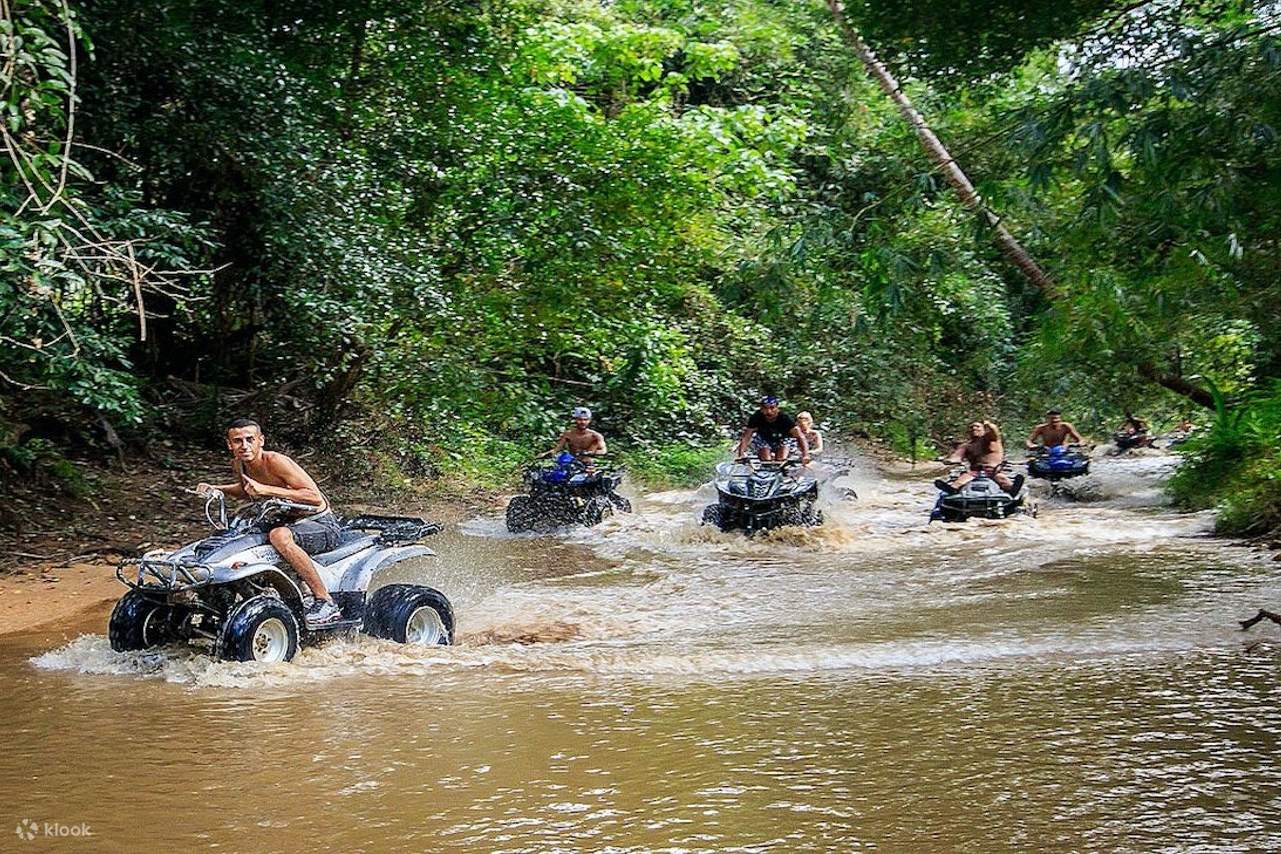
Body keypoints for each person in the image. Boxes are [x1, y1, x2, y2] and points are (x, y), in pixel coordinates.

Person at [196, 418, 345, 627]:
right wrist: (217, 488)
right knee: (232, 536)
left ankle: (325, 601)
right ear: (230, 444)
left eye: (250, 439)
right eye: (238, 441)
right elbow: (246, 489)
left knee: (278, 536)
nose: (244, 446)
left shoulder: (276, 461)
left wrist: (267, 490)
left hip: (320, 523)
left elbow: (314, 497)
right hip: (284, 520)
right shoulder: (239, 464)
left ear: (261, 441)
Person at [936, 420, 1023, 495]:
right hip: (974, 472)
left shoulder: (991, 440)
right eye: (971, 427)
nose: (974, 428)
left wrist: (988, 424)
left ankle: (1013, 490)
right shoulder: (966, 446)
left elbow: (994, 431)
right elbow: (956, 456)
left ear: (983, 429)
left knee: (1003, 480)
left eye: (977, 426)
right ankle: (952, 491)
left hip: (993, 471)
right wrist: (949, 461)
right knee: (959, 482)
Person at [735, 396, 811, 464]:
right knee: (766, 460)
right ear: (761, 409)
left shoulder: (785, 418)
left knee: (781, 459)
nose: (769, 412)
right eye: (765, 408)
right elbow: (746, 437)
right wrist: (741, 454)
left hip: (784, 439)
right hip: (764, 439)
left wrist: (805, 455)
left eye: (772, 408)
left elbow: (800, 436)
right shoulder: (756, 417)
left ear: (777, 408)